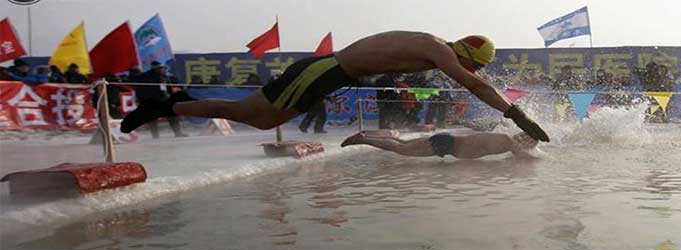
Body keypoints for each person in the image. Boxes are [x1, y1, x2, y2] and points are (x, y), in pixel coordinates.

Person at [121, 31, 549, 142]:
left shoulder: (432, 48)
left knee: (250, 116)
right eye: (470, 63)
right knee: (253, 114)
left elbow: (474, 80)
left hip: (329, 75)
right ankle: (167, 105)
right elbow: (472, 84)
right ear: (467, 54)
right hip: (322, 71)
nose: (464, 68)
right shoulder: (435, 48)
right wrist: (517, 114)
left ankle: (172, 105)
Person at [340, 129, 539, 160]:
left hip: (447, 140)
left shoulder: (504, 139)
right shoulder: (509, 142)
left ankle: (369, 135)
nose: (530, 146)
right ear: (525, 140)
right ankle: (364, 139)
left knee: (402, 142)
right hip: (446, 145)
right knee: (401, 150)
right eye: (531, 143)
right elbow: (526, 159)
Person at [132, 61, 185, 138]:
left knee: (172, 116)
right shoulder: (144, 77)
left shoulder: (163, 76)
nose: (162, 69)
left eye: (162, 68)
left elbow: (169, 88)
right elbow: (139, 89)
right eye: (160, 68)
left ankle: (178, 133)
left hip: (164, 100)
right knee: (153, 119)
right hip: (151, 101)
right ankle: (155, 135)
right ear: (155, 68)